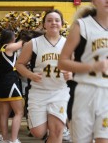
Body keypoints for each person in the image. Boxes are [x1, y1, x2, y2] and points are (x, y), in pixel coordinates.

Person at [15, 9, 72, 143]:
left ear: (62, 24)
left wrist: (72, 74)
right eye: (49, 20)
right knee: (37, 132)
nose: (53, 23)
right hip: (38, 92)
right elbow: (19, 64)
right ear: (44, 24)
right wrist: (30, 75)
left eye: (57, 20)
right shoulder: (33, 43)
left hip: (60, 92)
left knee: (57, 131)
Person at [58, 0, 108, 142]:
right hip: (84, 92)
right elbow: (62, 62)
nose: (107, 0)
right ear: (93, 1)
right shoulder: (82, 26)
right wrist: (92, 66)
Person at [0, 29, 24, 143]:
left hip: (2, 82)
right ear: (11, 38)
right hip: (10, 81)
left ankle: (5, 140)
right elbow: (23, 43)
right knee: (19, 112)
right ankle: (14, 139)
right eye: (14, 36)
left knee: (4, 114)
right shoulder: (8, 47)